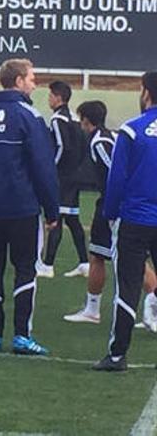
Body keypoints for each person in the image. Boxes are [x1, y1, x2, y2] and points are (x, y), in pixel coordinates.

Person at [0, 58, 58, 355]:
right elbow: (43, 167)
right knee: (24, 270)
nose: (35, 83)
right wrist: (51, 209)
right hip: (22, 208)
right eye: (32, 78)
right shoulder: (30, 117)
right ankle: (21, 335)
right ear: (18, 81)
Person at [63, 100, 157, 326]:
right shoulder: (112, 136)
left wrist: (113, 206)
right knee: (114, 256)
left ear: (87, 120)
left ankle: (93, 309)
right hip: (124, 206)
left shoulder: (99, 142)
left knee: (104, 256)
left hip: (113, 206)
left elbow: (113, 172)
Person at [93, 71, 157, 371]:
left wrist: (109, 213)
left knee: (128, 287)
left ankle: (118, 354)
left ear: (146, 92)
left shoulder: (131, 130)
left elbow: (116, 178)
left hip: (135, 219)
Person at [38, 81, 88, 278]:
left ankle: (48, 265)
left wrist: (51, 169)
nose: (49, 98)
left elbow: (60, 146)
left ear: (58, 97)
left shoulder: (58, 119)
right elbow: (81, 146)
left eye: (50, 95)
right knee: (73, 219)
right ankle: (84, 262)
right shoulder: (75, 119)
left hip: (62, 177)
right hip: (74, 176)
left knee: (56, 218)